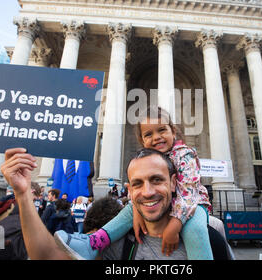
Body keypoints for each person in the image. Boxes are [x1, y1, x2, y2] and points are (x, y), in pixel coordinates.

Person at [55, 106, 213, 260]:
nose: (157, 137)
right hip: (164, 202)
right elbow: (139, 190)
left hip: (193, 206)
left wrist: (176, 224)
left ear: (173, 130)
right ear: (142, 141)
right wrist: (137, 211)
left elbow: (188, 193)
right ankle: (92, 244)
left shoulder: (184, 154)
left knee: (195, 229)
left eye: (162, 130)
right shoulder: (147, 160)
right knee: (129, 211)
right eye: (149, 134)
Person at [0, 182, 41, 260]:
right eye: (34, 199)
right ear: (32, 192)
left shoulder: (9, 204)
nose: (33, 203)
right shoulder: (20, 209)